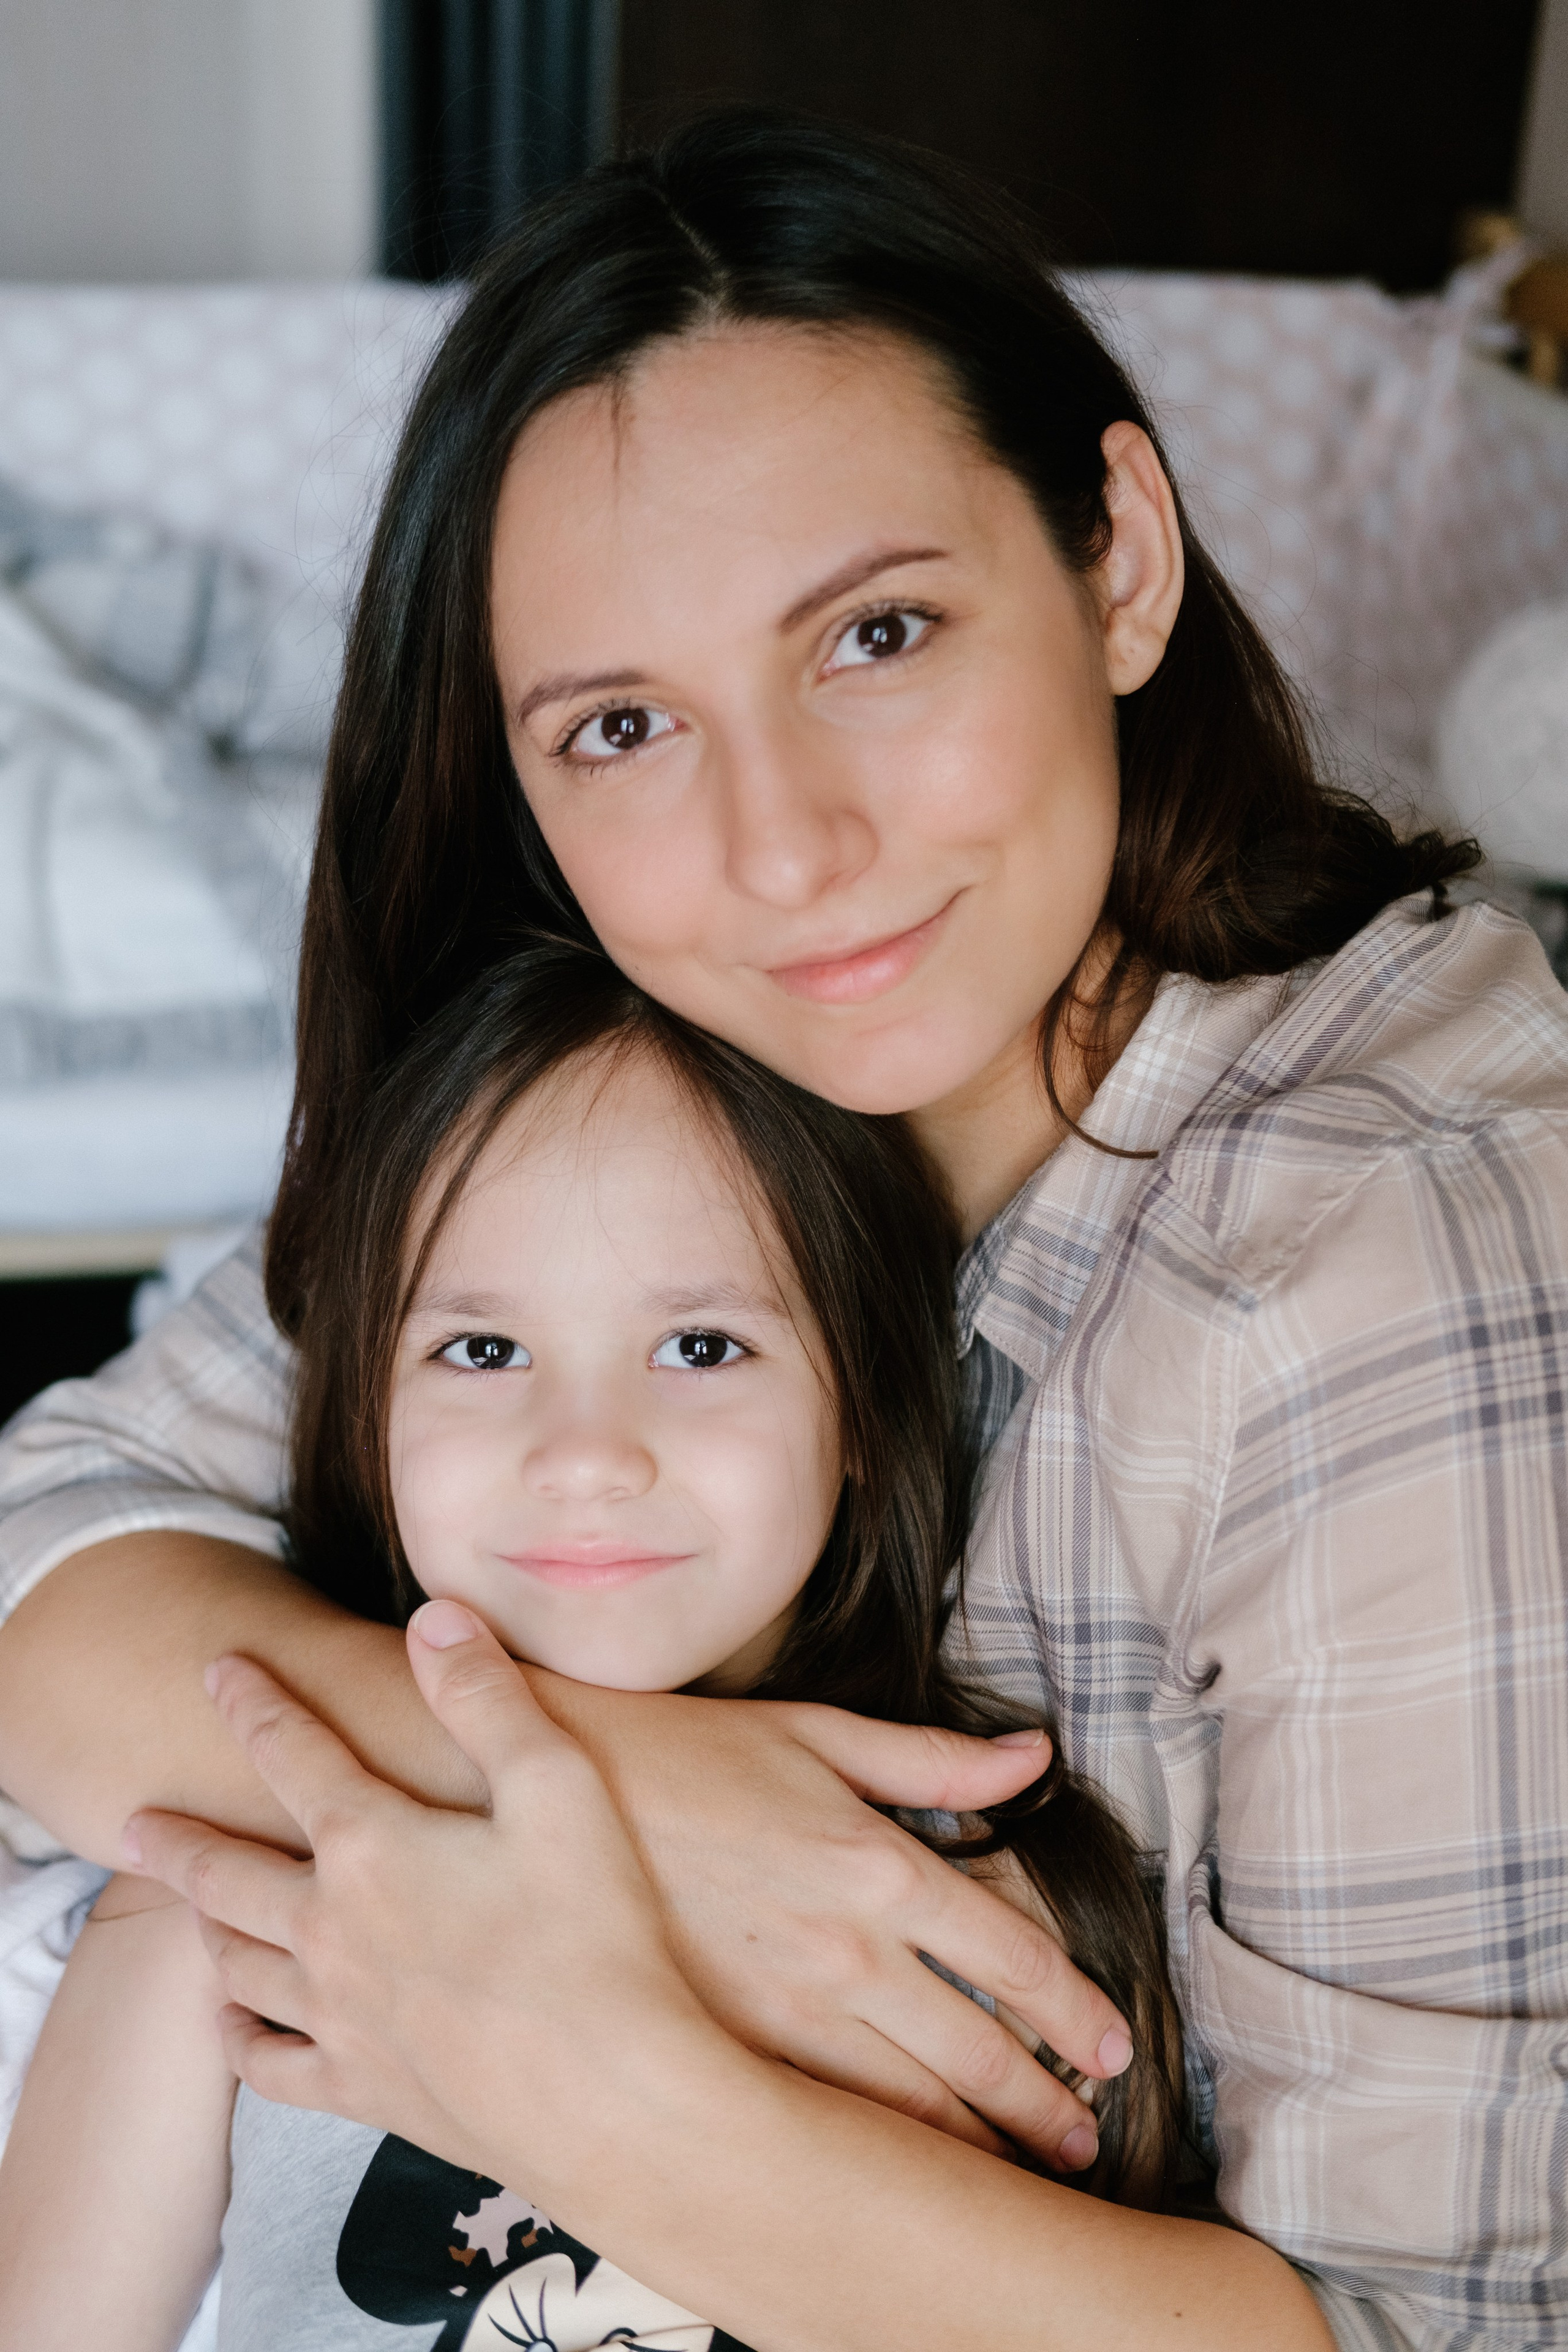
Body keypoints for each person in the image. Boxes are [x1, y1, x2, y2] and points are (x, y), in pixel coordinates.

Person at [0, 106, 1562, 2348]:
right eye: (622, 725)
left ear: (1121, 563)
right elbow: (52, 1556)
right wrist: (625, 1808)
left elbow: (1438, 2331)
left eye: (878, 635)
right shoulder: (632, 1048)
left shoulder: (1383, 1269)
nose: (784, 848)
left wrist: (562, 2053)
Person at [0, 937, 1184, 2347]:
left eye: (700, 1348)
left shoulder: (966, 1918)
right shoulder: (236, 1884)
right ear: (367, 1418)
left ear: (864, 1408)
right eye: (482, 1352)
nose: (583, 1455)